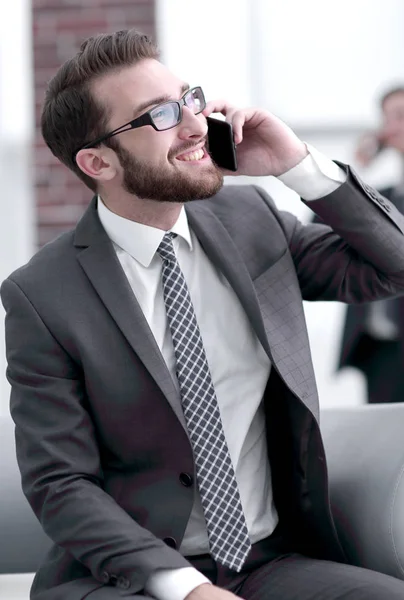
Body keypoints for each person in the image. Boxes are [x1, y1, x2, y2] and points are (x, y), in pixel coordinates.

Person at [3, 29, 404, 600]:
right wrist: (186, 589)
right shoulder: (42, 295)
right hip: (127, 581)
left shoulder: (252, 219)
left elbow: (394, 266)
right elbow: (60, 483)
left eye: (190, 98)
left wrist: (297, 166)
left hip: (271, 563)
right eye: (161, 116)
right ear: (98, 161)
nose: (196, 124)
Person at [313, 85, 404, 404]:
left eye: (401, 117)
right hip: (379, 351)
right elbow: (312, 232)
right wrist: (356, 172)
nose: (389, 129)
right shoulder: (384, 196)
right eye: (386, 119)